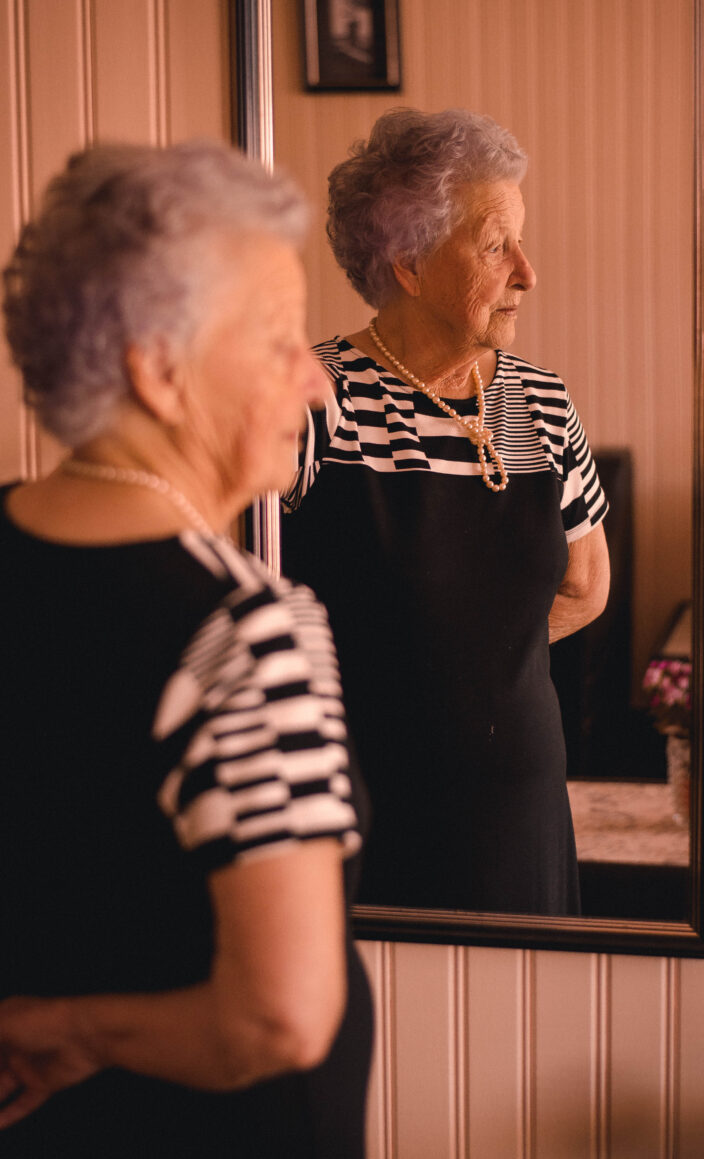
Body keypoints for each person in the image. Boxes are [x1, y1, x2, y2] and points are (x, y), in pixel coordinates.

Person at [0, 140, 371, 1157]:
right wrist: (73, 1032)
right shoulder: (246, 628)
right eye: (280, 340)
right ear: (157, 372)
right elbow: (282, 1018)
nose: (315, 381)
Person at [281, 108, 610, 915]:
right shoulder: (314, 400)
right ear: (410, 263)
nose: (529, 272)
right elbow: (236, 594)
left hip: (523, 808)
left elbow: (585, 587)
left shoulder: (539, 400)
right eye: (496, 244)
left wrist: (470, 670)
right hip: (367, 803)